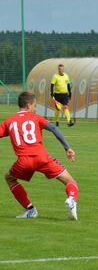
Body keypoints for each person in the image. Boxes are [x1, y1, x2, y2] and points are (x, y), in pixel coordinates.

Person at [0, 92, 79, 220]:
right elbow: (53, 128)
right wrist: (67, 147)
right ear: (28, 105)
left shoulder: (9, 121)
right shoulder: (36, 118)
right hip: (42, 158)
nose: (35, 108)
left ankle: (30, 209)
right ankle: (71, 199)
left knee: (9, 178)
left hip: (23, 161)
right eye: (35, 105)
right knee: (70, 181)